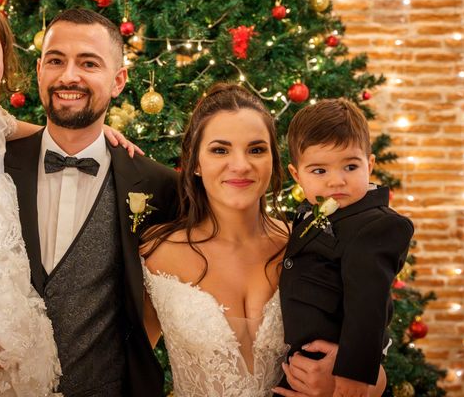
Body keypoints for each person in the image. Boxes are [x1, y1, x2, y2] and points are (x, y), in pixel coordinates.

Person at [0, 8, 179, 397]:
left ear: (118, 80)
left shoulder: (159, 185)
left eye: (88, 63)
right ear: (39, 71)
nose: (69, 76)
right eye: (56, 60)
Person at [141, 83, 337, 397]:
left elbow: (364, 345)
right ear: (195, 161)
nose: (241, 165)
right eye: (220, 149)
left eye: (256, 149)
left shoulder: (309, 246)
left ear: (273, 159)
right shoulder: (156, 254)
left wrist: (361, 377)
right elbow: (125, 370)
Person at [275, 98, 413, 397]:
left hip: (340, 373)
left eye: (350, 166)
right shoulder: (310, 213)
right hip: (301, 366)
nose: (336, 181)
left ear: (370, 164)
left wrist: (353, 378)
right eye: (319, 171)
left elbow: (369, 305)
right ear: (297, 175)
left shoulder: (376, 226)